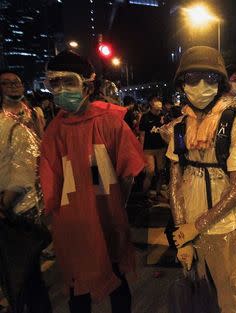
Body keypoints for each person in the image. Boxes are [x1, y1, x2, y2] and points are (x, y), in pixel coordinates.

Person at [39, 50, 145, 313]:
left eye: (68, 82)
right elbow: (51, 182)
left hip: (107, 217)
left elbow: (127, 174)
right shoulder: (54, 130)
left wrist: (113, 207)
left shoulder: (110, 122)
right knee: (78, 290)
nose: (61, 90)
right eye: (55, 83)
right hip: (72, 225)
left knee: (116, 279)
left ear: (87, 85)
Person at [166, 46, 236, 312]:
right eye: (192, 79)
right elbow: (175, 182)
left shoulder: (232, 122)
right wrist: (182, 232)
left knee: (232, 293)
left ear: (220, 83)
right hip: (189, 227)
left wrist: (198, 225)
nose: (201, 86)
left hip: (224, 228)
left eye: (210, 78)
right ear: (182, 83)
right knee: (200, 294)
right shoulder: (181, 125)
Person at [0, 70, 52, 313]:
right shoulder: (2, 119)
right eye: (6, 83)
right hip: (10, 194)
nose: (12, 86)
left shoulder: (33, 113)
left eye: (16, 82)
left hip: (25, 198)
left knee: (25, 267)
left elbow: (41, 144)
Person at [138, 96, 167, 203]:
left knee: (161, 171)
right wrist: (141, 150)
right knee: (150, 172)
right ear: (151, 104)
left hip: (161, 148)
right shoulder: (145, 117)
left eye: (160, 107)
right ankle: (145, 195)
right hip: (148, 149)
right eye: (156, 103)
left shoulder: (163, 116)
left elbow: (167, 131)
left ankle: (158, 193)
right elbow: (142, 135)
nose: (158, 109)